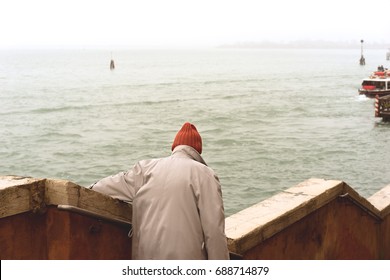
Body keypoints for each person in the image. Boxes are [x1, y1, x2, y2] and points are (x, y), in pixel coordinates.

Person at [90, 122, 230, 260]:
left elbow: (105, 187)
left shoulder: (145, 168)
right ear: (197, 151)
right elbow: (214, 232)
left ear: (174, 147)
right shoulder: (205, 175)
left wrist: (88, 189)